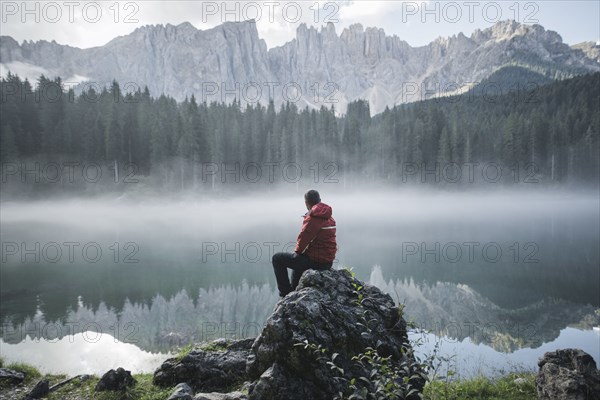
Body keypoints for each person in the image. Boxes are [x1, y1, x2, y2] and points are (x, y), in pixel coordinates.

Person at [272, 189, 337, 298]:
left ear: (306, 203)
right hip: (327, 261)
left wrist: (297, 253)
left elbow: (303, 240)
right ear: (319, 200)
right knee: (298, 259)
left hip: (317, 263)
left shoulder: (313, 217)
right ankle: (294, 290)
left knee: (277, 259)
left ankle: (285, 294)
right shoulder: (329, 216)